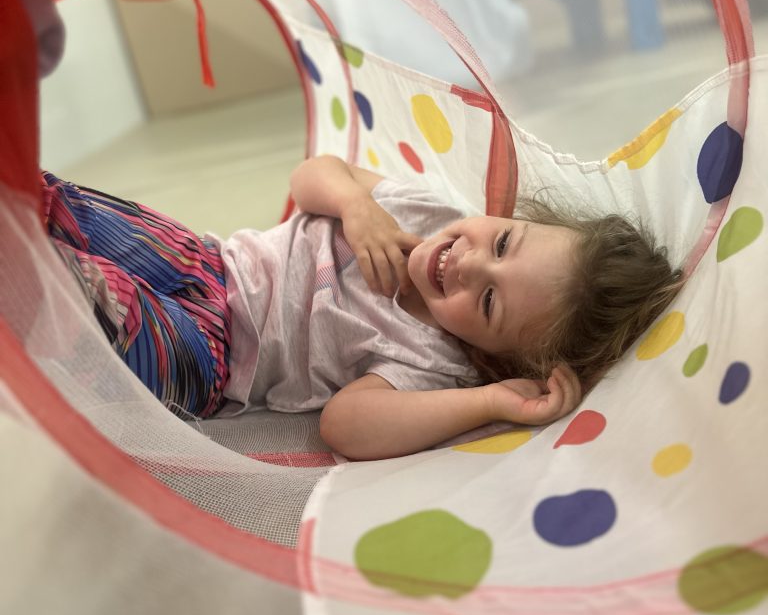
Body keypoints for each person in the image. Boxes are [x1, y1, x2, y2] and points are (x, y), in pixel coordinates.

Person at [42, 155, 683, 460]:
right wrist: (357, 205)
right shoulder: (428, 212)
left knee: (83, 289)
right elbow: (309, 175)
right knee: (52, 202)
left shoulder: (431, 361)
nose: (468, 260)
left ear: (489, 353)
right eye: (505, 241)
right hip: (205, 260)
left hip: (211, 356)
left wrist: (489, 403)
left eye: (487, 300)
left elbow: (344, 426)